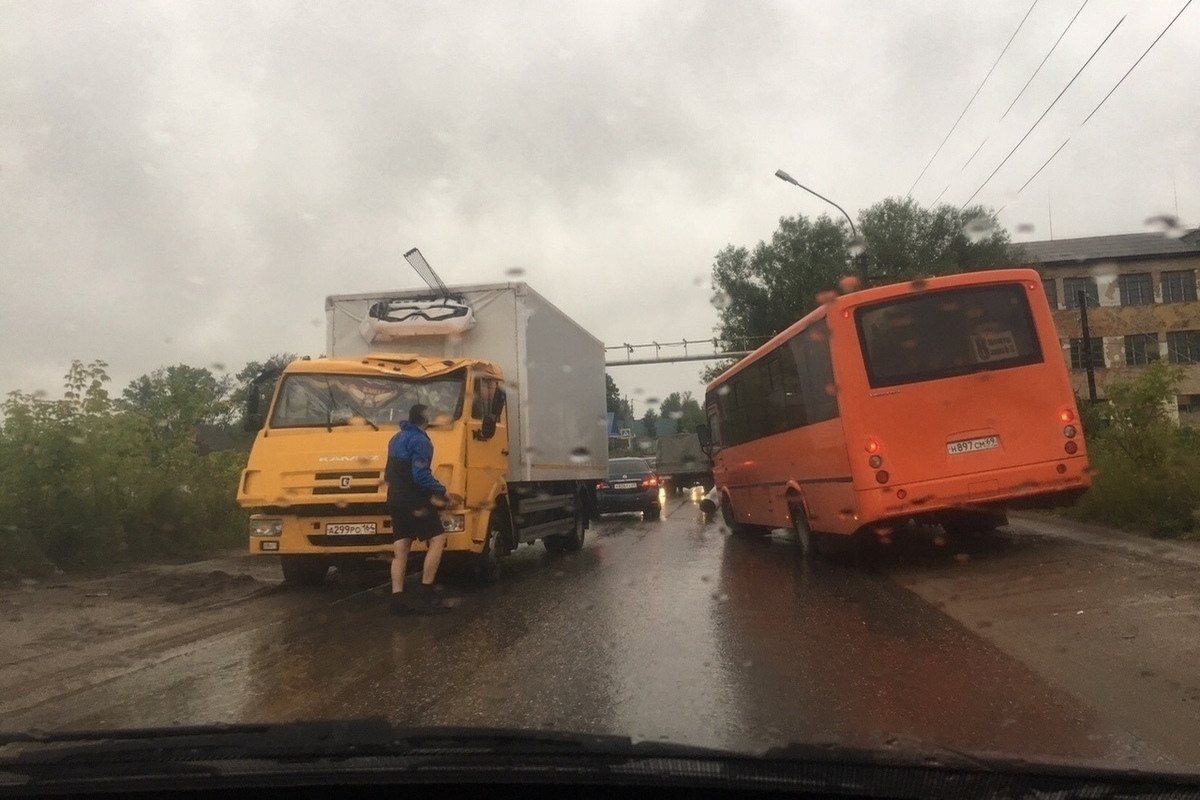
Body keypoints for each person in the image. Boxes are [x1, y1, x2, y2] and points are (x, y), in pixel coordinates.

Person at [386, 403, 454, 615]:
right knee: (437, 539)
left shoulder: (395, 438)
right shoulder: (421, 441)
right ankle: (427, 591)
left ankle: (397, 600)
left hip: (394, 499)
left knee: (401, 547)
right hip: (414, 500)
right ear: (426, 419)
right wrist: (442, 492)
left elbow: (388, 473)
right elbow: (420, 475)